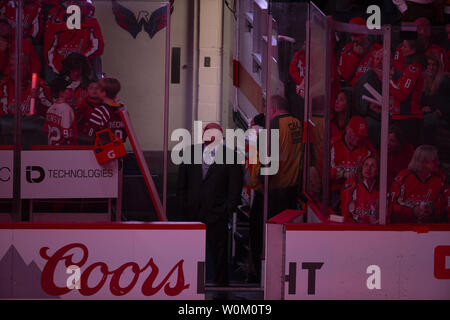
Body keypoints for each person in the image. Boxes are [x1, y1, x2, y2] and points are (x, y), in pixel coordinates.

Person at [177, 122, 243, 286]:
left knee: (219, 254)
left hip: (217, 215)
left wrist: (227, 209)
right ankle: (189, 284)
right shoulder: (190, 152)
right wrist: (185, 205)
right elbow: (181, 184)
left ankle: (221, 287)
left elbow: (235, 186)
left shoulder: (230, 156)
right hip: (193, 214)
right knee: (190, 253)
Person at [389, 145, 448, 223]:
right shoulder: (403, 177)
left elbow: (445, 203)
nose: (438, 163)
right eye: (434, 160)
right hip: (404, 228)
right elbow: (393, 204)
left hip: (433, 228)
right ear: (422, 162)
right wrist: (413, 211)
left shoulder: (440, 178)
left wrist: (433, 210)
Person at [330, 116, 376, 210]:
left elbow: (374, 174)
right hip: (336, 190)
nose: (359, 138)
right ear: (348, 130)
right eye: (356, 134)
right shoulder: (333, 144)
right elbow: (324, 172)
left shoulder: (368, 148)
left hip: (360, 191)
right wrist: (343, 174)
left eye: (361, 136)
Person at [390, 38, 425, 146]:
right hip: (402, 116)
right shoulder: (409, 68)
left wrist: (387, 80)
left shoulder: (413, 69)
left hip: (408, 118)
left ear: (413, 50)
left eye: (405, 47)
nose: (401, 49)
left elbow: (402, 95)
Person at [79, 77, 127, 145]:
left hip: (104, 151)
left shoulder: (100, 111)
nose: (96, 90)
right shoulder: (122, 109)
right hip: (119, 149)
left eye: (98, 88)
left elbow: (89, 136)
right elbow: (126, 132)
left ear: (103, 92)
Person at [338, 17, 382, 87]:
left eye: (356, 35)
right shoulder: (346, 49)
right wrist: (355, 55)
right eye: (351, 35)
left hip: (372, 91)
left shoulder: (378, 50)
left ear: (365, 34)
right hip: (351, 91)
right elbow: (345, 76)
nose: (353, 39)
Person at [340, 155, 380, 224]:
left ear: (377, 171)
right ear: (362, 168)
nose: (368, 168)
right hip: (356, 230)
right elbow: (346, 216)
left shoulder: (381, 190)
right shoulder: (352, 187)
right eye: (366, 164)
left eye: (372, 165)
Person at [421, 53, 450, 144]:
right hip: (429, 114)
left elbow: (444, 104)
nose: (431, 67)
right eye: (428, 64)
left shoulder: (444, 81)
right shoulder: (423, 82)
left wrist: (433, 109)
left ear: (438, 67)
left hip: (443, 116)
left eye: (434, 65)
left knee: (425, 122)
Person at [44, 80, 77, 145]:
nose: (72, 92)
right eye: (69, 90)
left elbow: (45, 130)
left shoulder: (50, 108)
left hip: (51, 147)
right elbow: (66, 135)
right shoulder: (66, 109)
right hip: (63, 149)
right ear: (61, 93)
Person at [75, 80, 102, 145]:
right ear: (87, 91)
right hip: (86, 140)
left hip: (101, 140)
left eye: (96, 88)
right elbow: (76, 123)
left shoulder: (105, 104)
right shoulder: (82, 105)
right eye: (91, 88)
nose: (94, 90)